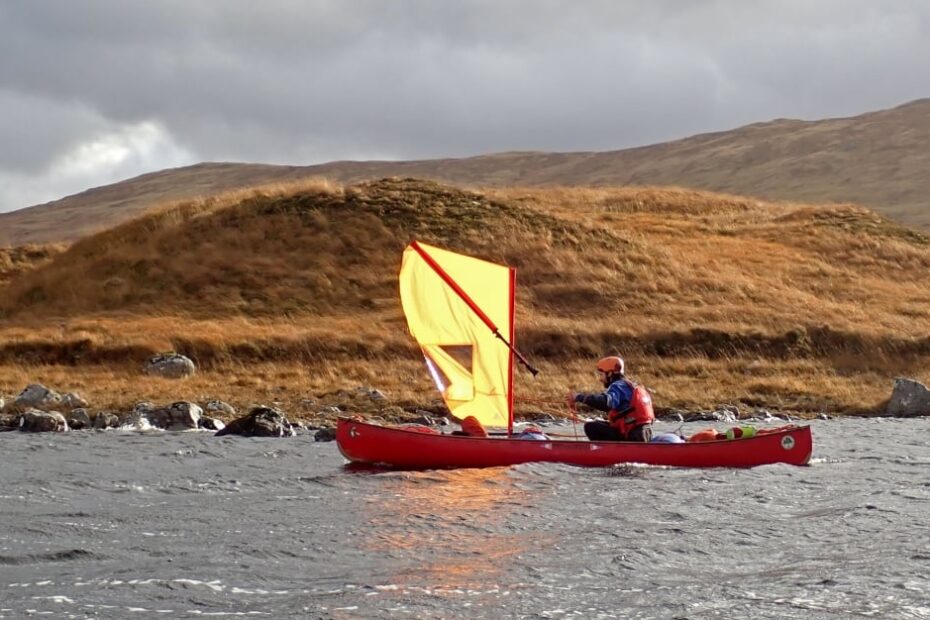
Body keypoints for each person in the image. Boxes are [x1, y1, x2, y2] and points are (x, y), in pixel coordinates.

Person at [570, 356, 655, 442]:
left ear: (610, 373)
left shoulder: (617, 386)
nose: (600, 379)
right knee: (599, 423)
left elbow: (606, 403)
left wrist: (579, 397)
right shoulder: (630, 385)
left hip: (631, 436)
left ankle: (604, 453)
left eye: (601, 375)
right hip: (645, 434)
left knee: (591, 427)